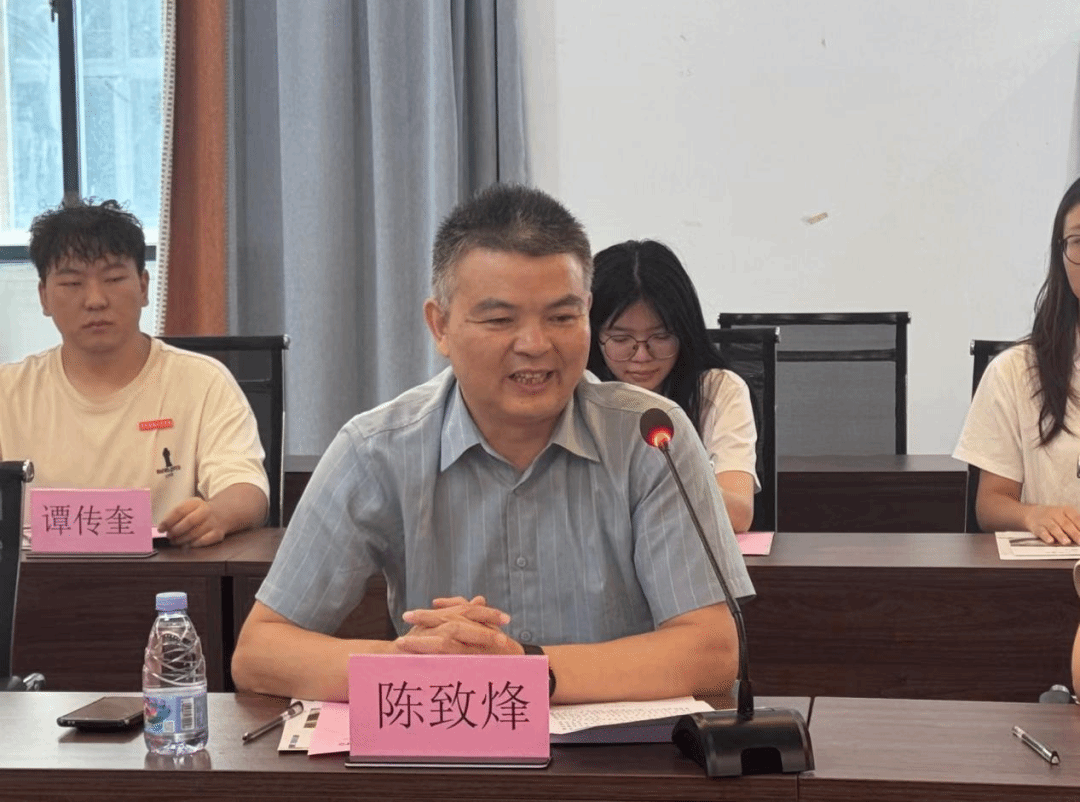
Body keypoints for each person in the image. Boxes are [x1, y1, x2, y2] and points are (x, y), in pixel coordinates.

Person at [231, 184, 752, 703]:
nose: (535, 345)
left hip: (622, 752)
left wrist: (523, 671)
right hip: (451, 740)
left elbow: (711, 653)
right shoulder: (376, 449)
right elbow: (260, 652)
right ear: (440, 325)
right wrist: (421, 663)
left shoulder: (651, 436)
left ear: (587, 313)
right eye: (501, 320)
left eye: (562, 317)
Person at [0, 199, 269, 547]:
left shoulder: (202, 382)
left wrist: (216, 514)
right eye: (72, 283)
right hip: (36, 579)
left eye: (113, 279)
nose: (95, 300)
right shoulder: (9, 391)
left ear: (143, 287)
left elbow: (246, 488)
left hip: (167, 576)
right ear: (44, 297)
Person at [586, 240, 758, 532]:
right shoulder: (575, 392)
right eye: (621, 339)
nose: (642, 356)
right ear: (593, 335)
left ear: (685, 332)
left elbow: (738, 513)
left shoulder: (719, 390)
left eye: (661, 337)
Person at [955, 178, 1080, 544]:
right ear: (1061, 255)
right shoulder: (1014, 371)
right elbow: (990, 505)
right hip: (1055, 570)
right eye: (1079, 241)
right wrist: (1032, 515)